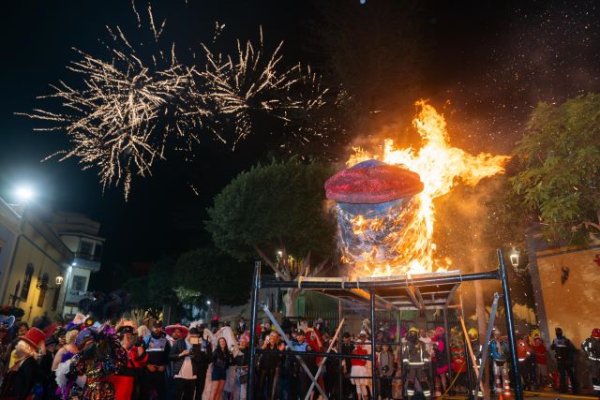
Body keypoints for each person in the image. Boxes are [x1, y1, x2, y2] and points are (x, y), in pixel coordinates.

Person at [0, 327, 45, 400]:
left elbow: (27, 384)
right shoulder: (23, 359)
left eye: (19, 344)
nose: (16, 346)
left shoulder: (29, 362)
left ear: (25, 347)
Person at [118, 319, 148, 400]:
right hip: (119, 378)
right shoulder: (116, 348)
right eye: (125, 333)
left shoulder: (136, 348)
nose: (127, 336)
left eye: (129, 334)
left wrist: (136, 339)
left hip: (133, 379)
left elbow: (143, 360)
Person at [169, 324, 198, 400]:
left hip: (192, 376)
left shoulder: (196, 343)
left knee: (189, 396)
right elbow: (170, 356)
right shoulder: (179, 342)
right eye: (192, 336)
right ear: (188, 334)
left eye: (195, 337)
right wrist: (181, 354)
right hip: (180, 374)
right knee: (176, 396)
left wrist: (196, 354)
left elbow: (199, 358)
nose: (194, 338)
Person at [143, 320, 170, 400]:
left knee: (160, 394)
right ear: (152, 328)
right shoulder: (146, 339)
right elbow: (141, 355)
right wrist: (147, 365)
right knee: (146, 394)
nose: (157, 329)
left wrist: (164, 365)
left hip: (160, 372)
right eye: (155, 327)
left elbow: (167, 356)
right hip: (148, 371)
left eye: (159, 327)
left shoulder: (165, 341)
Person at [402, 326, 431, 400]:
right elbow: (405, 355)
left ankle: (428, 398)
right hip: (411, 366)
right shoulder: (407, 344)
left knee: (423, 382)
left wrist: (426, 364)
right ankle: (409, 398)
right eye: (411, 333)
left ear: (417, 334)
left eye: (414, 333)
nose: (412, 335)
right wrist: (405, 365)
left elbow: (425, 354)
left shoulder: (422, 344)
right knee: (411, 382)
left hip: (420, 366)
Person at [550, 327, 578, 393]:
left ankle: (565, 390)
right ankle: (572, 390)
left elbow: (552, 348)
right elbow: (573, 349)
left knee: (565, 375)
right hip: (564, 361)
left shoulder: (559, 340)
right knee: (568, 375)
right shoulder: (564, 340)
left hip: (563, 361)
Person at [351, 330, 371, 400]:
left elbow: (353, 360)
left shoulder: (354, 351)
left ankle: (361, 398)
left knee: (359, 385)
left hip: (356, 369)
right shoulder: (362, 351)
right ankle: (365, 398)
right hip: (362, 369)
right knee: (362, 385)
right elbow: (364, 361)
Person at [582, 328, 600, 395]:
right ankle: (597, 392)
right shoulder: (588, 341)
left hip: (596, 362)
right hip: (592, 363)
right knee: (594, 376)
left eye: (598, 337)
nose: (597, 338)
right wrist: (589, 354)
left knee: (596, 376)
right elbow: (584, 347)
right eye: (596, 337)